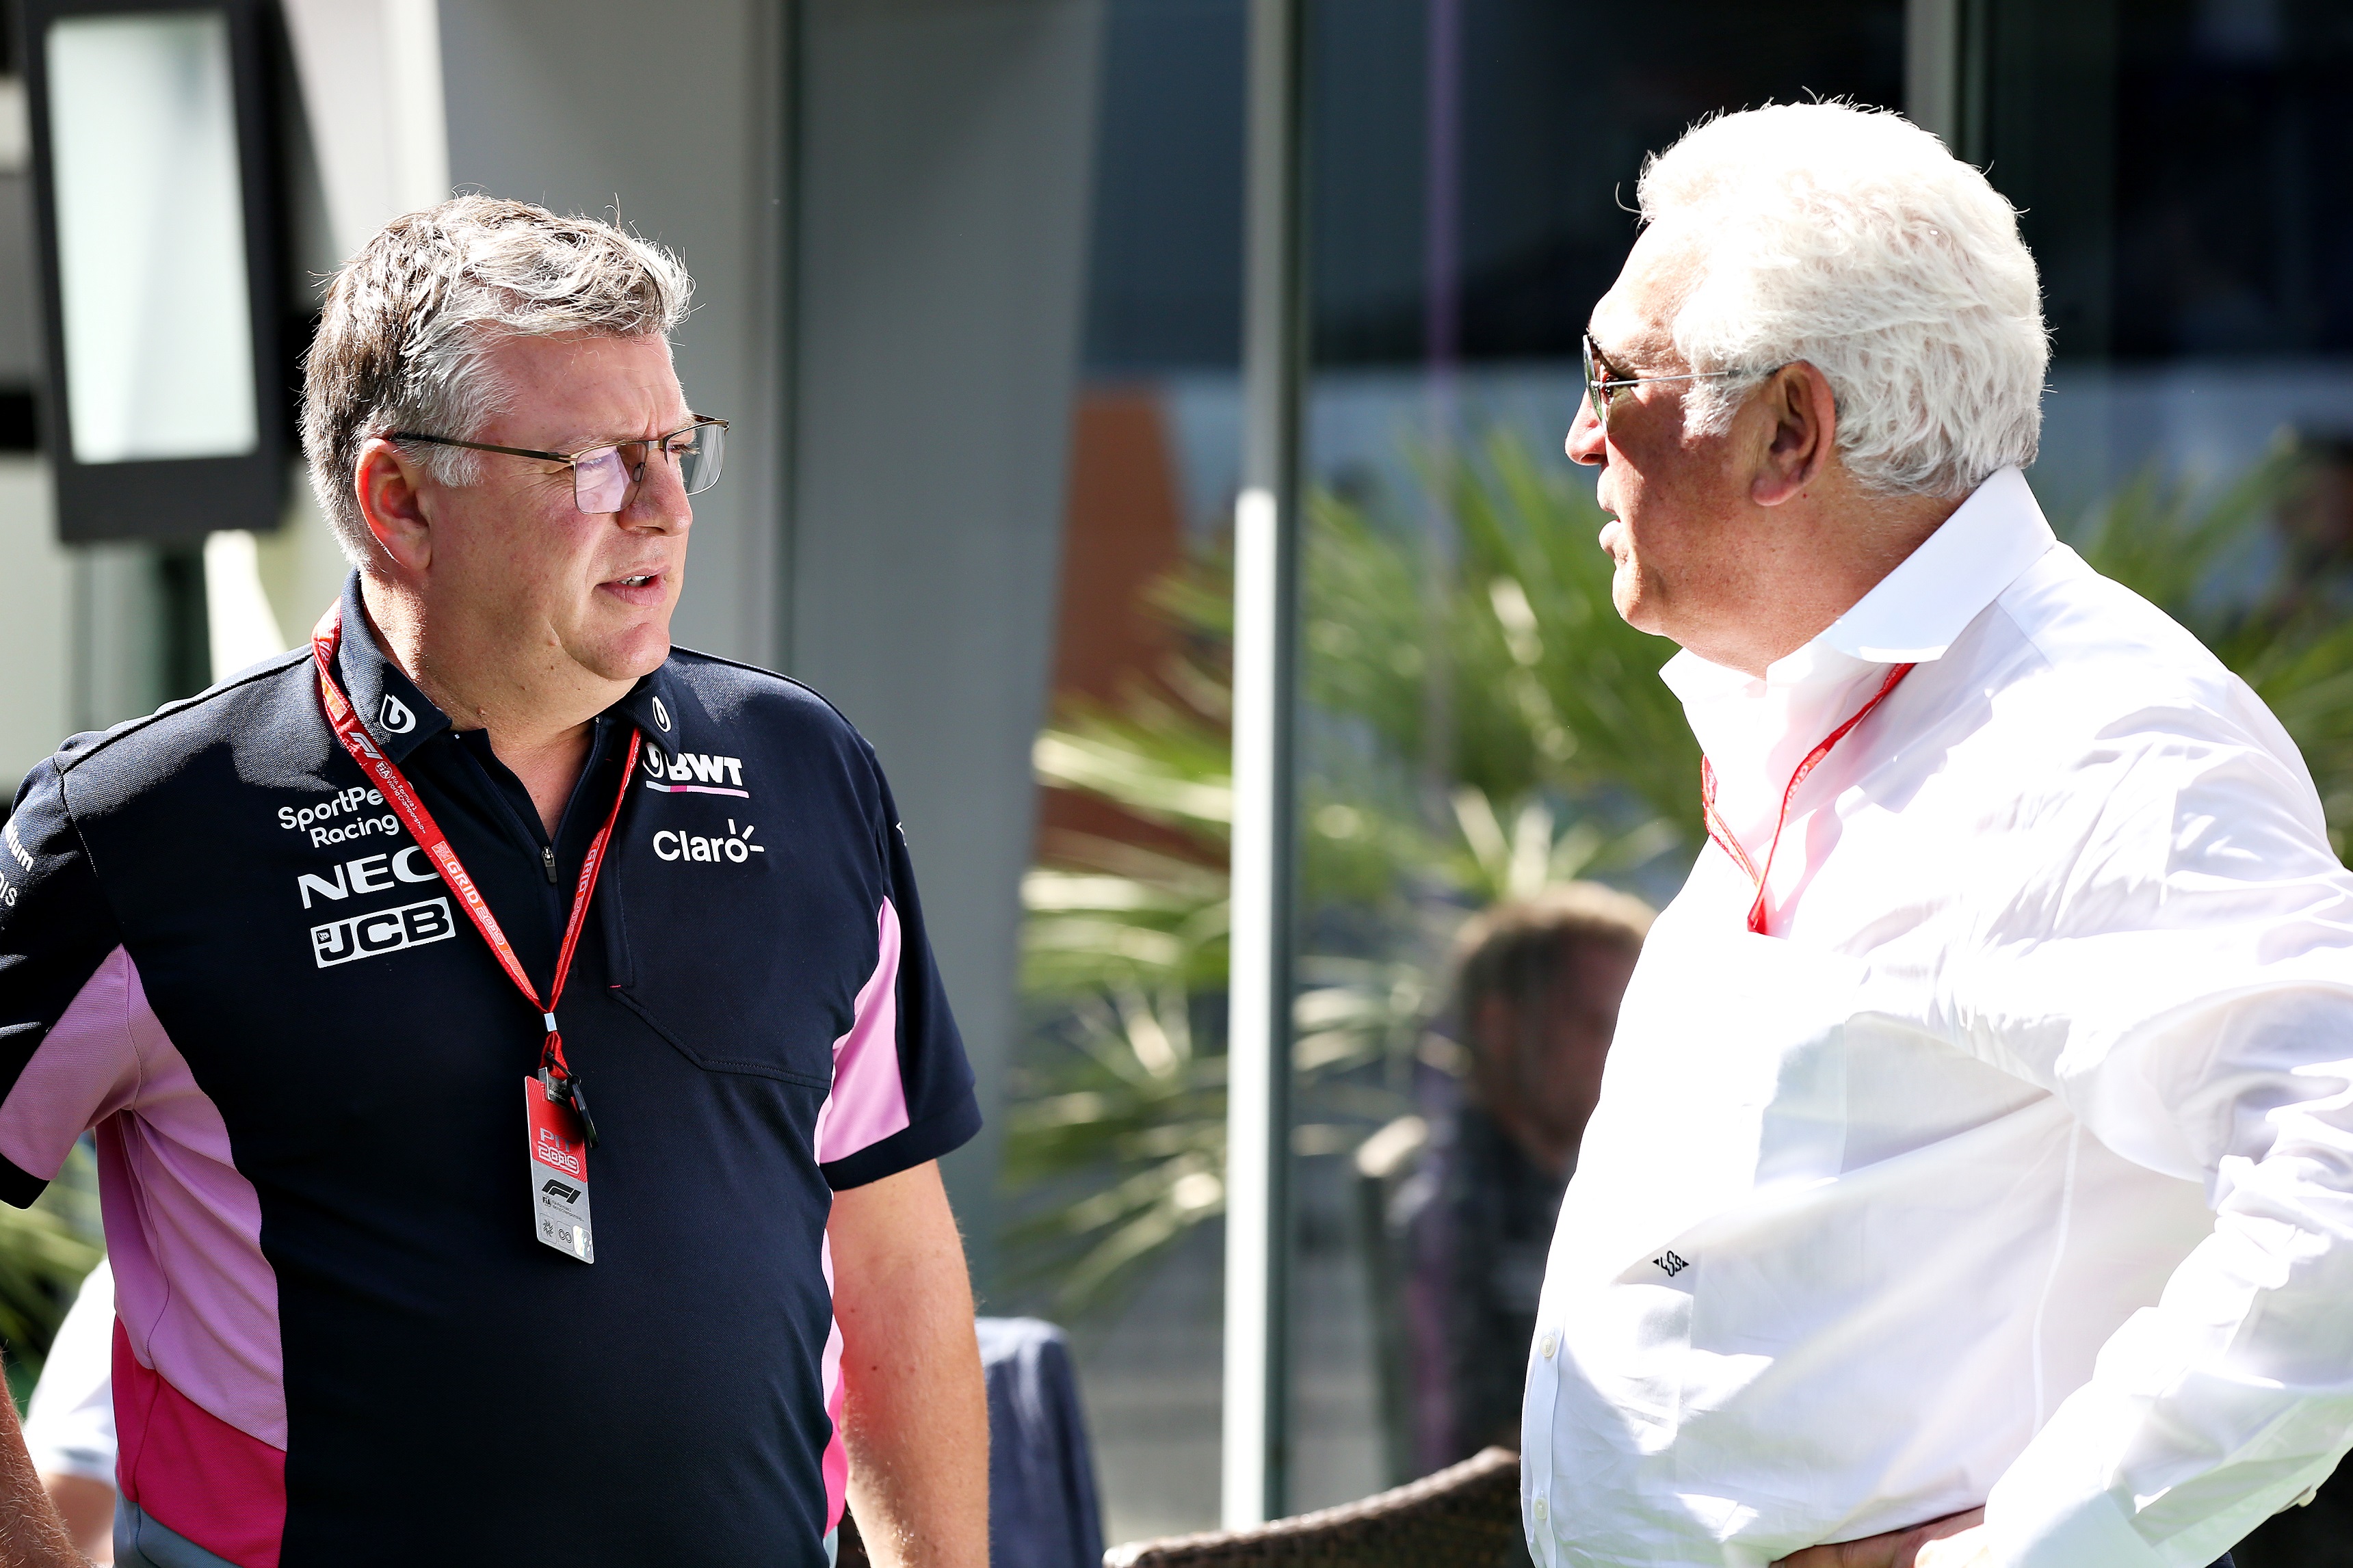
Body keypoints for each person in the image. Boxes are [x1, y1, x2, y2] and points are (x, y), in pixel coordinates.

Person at [0, 196, 987, 1567]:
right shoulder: (138, 826)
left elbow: (894, 1252)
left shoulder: (804, 772)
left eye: (672, 449)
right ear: (396, 499)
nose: (657, 508)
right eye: (588, 462)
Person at [1521, 102, 2353, 1568]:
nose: (1581, 434)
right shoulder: (1861, 698)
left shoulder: (2094, 735)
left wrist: (2037, 1553)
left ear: (1789, 429)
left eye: (1613, 375)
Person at [1400, 884, 1648, 1467]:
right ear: (1499, 1026)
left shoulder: (1588, 1188)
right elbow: (1486, 1448)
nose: (1629, 1056)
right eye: (1598, 1024)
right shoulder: (1443, 1207)